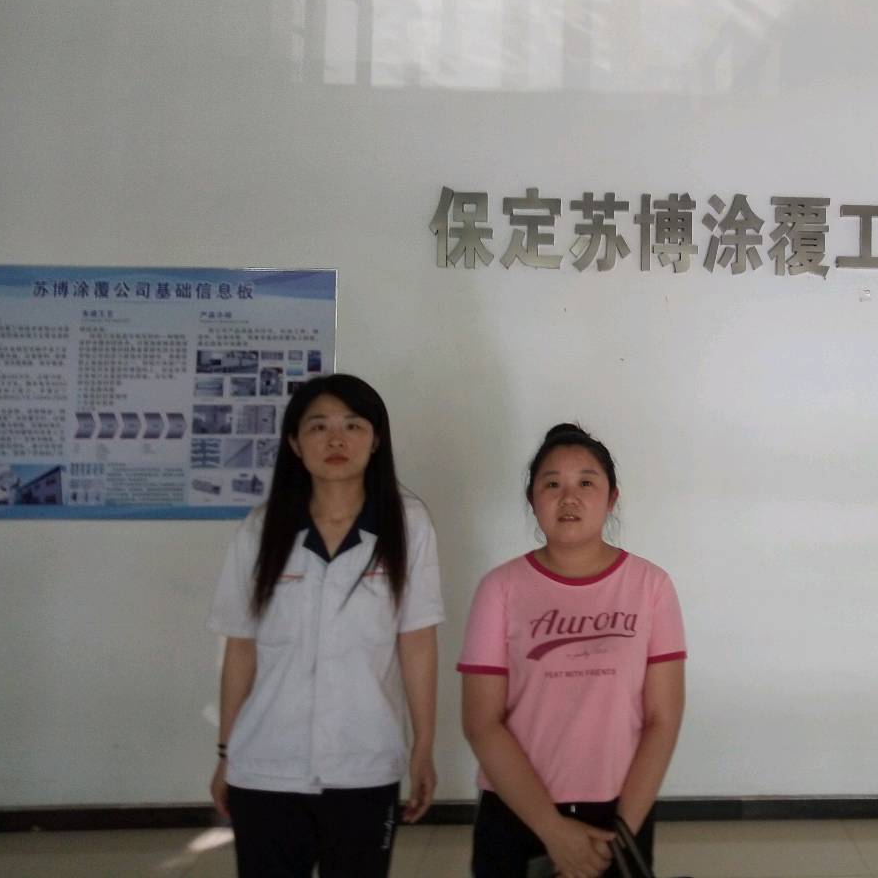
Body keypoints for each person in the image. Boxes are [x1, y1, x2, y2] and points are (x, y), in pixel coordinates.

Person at [207, 373, 444, 877]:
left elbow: (417, 640)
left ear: (376, 440)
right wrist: (227, 753)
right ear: (294, 443)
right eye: (318, 426)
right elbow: (241, 648)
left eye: (353, 425)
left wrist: (423, 746)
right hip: (266, 763)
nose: (336, 439)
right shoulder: (260, 528)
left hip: (365, 761)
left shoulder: (408, 524)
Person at [459, 423, 687, 878]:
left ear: (612, 498)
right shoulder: (500, 588)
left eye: (586, 482)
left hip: (619, 814)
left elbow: (663, 719)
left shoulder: (651, 586)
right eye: (552, 484)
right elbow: (482, 722)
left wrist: (619, 835)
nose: (569, 497)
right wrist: (554, 832)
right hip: (517, 811)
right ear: (532, 500)